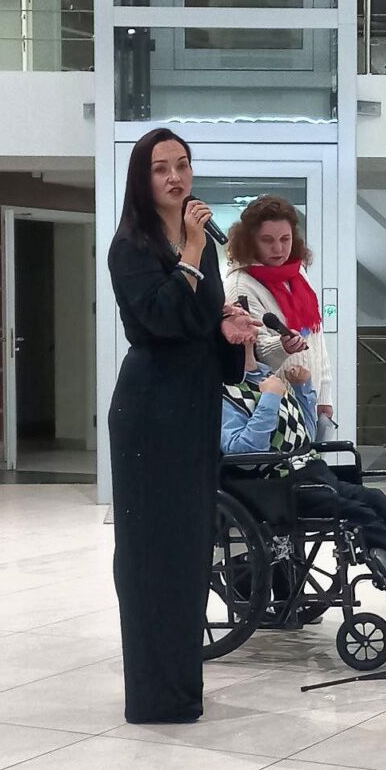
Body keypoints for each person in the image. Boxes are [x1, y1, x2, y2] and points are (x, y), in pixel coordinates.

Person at [108, 128, 260, 725]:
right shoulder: (131, 247)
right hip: (151, 413)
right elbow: (162, 319)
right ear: (142, 180)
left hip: (195, 407)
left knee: (191, 551)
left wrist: (229, 333)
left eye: (183, 165)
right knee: (152, 555)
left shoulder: (201, 246)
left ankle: (180, 689)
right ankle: (153, 697)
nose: (175, 177)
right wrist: (192, 254)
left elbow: (197, 324)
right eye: (160, 168)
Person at [220, 343, 386, 602]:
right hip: (276, 487)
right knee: (358, 514)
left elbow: (304, 435)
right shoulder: (227, 395)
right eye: (246, 336)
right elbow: (242, 452)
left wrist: (303, 390)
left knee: (375, 498)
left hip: (310, 472)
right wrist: (270, 398)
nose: (252, 332)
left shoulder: (268, 378)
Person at [224, 195, 333, 437]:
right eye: (267, 240)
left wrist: (325, 396)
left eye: (285, 239)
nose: (278, 249)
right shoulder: (240, 285)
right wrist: (282, 346)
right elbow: (252, 355)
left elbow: (316, 338)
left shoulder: (298, 273)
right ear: (250, 241)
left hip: (308, 397)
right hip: (272, 407)